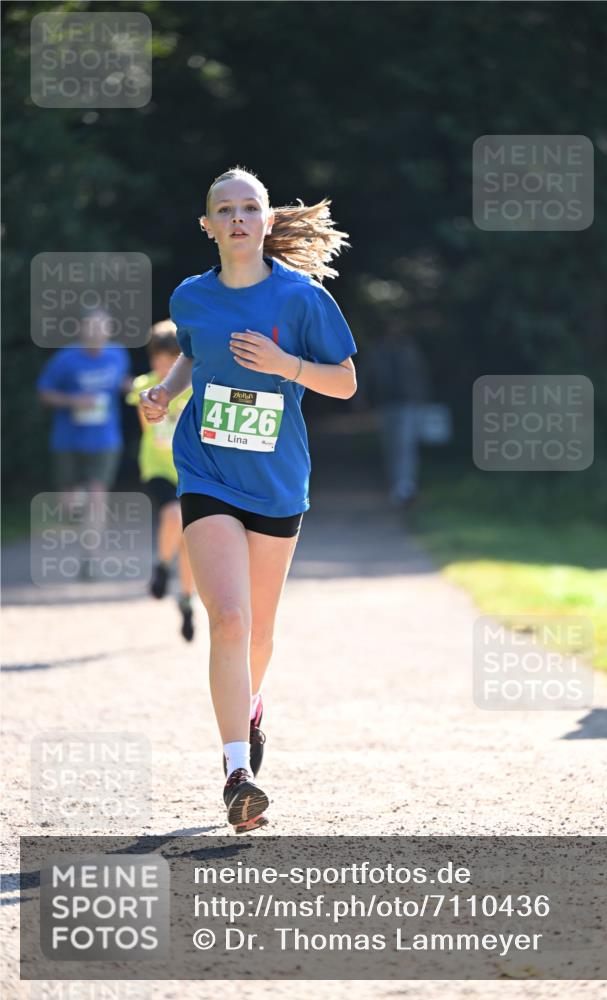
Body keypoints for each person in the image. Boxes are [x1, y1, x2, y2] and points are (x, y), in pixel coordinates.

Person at [139, 166, 357, 833]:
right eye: (224, 209)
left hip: (276, 478)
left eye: (249, 207)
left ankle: (251, 707)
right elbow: (194, 358)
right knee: (228, 619)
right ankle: (238, 772)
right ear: (207, 225)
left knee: (259, 630)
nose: (237, 218)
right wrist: (166, 391)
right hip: (206, 471)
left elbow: (345, 384)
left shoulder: (302, 299)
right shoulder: (190, 297)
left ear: (266, 221)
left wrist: (283, 365)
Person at [37, 308, 133, 579]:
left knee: (97, 496)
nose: (96, 334)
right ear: (82, 331)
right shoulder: (66, 359)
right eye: (91, 329)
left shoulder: (118, 355)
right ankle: (77, 519)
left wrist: (130, 387)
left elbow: (120, 383)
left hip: (105, 440)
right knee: (71, 505)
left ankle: (91, 558)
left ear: (108, 332)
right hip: (68, 439)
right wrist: (72, 401)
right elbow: (44, 393)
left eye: (101, 329)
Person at [126, 321, 195, 640]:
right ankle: (163, 566)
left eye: (171, 359)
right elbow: (148, 427)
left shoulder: (193, 385)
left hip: (190, 471)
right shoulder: (146, 385)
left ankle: (186, 600)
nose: (163, 366)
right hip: (158, 468)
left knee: (192, 541)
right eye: (158, 359)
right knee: (173, 517)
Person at [364, 320, 430, 508]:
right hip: (386, 404)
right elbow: (368, 376)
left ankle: (406, 486)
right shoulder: (377, 351)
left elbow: (420, 375)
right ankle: (396, 485)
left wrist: (422, 400)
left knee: (405, 444)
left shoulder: (410, 350)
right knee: (391, 446)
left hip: (408, 403)